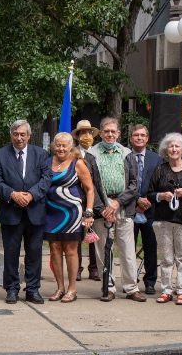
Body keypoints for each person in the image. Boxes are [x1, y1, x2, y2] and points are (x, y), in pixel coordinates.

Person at [0, 120, 51, 304]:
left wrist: (31, 195)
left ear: (29, 136)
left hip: (35, 211)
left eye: (22, 134)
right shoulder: (0, 155)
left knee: (34, 253)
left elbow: (46, 178)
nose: (19, 138)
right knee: (11, 253)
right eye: (16, 134)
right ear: (11, 135)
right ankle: (12, 289)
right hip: (11, 212)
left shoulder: (40, 154)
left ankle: (32, 289)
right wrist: (13, 194)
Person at [86, 118, 141, 302]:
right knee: (103, 249)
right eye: (106, 131)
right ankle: (108, 287)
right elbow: (89, 184)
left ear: (119, 133)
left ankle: (131, 287)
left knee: (127, 249)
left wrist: (117, 203)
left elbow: (134, 184)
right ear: (100, 133)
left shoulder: (127, 153)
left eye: (113, 131)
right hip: (102, 205)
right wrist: (103, 208)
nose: (110, 134)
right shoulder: (91, 155)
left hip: (123, 205)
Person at [146, 133, 182, 305]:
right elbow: (149, 194)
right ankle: (166, 290)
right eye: (170, 146)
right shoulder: (160, 169)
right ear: (165, 149)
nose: (173, 149)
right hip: (163, 220)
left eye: (177, 146)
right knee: (166, 258)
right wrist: (161, 196)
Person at [44, 133, 95, 303]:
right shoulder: (47, 162)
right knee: (54, 250)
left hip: (72, 213)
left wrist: (88, 212)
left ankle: (72, 289)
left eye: (64, 145)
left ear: (70, 146)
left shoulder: (77, 163)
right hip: (51, 214)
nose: (60, 148)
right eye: (58, 145)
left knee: (71, 251)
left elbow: (89, 189)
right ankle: (60, 288)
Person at [129, 124, 162, 295]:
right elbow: (123, 183)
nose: (139, 138)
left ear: (147, 138)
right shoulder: (125, 157)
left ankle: (150, 281)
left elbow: (159, 182)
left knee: (151, 247)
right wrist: (136, 200)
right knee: (129, 247)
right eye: (136, 135)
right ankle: (130, 280)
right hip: (130, 208)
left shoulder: (156, 159)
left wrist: (147, 200)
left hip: (150, 210)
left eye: (142, 135)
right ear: (131, 138)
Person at [71, 120, 105, 281]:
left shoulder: (98, 153)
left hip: (95, 198)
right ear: (77, 136)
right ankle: (76, 267)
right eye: (83, 132)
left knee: (94, 234)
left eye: (89, 133)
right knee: (77, 235)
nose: (87, 136)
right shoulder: (72, 153)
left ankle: (94, 268)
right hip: (77, 198)